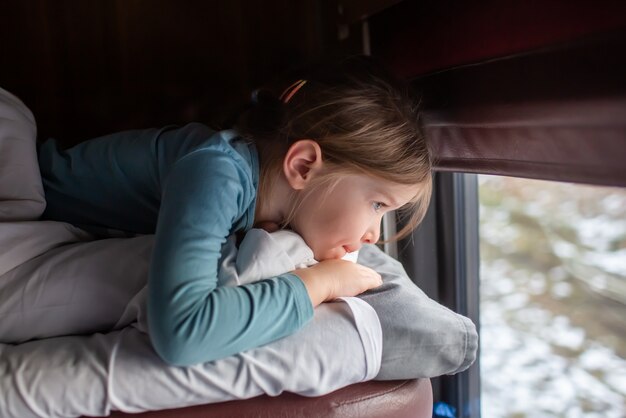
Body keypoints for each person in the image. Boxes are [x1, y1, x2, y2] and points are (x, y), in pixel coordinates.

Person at [36, 55, 433, 366]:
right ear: (303, 166)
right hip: (34, 189)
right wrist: (320, 283)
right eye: (377, 204)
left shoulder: (268, 202)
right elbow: (180, 332)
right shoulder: (215, 172)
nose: (374, 235)